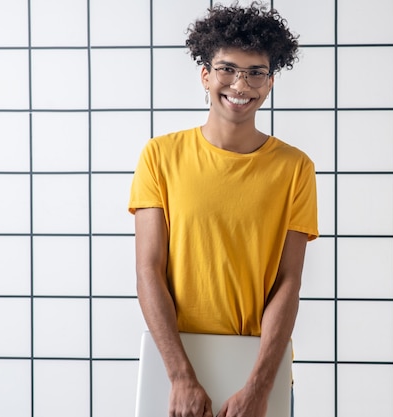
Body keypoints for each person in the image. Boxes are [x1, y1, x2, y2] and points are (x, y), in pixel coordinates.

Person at [128, 2, 318, 416]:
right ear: (205, 75)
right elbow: (148, 270)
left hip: (256, 365)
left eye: (256, 73)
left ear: (269, 83)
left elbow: (288, 283)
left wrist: (259, 387)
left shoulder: (295, 168)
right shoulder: (160, 156)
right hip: (174, 361)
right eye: (228, 68)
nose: (241, 84)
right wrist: (179, 376)